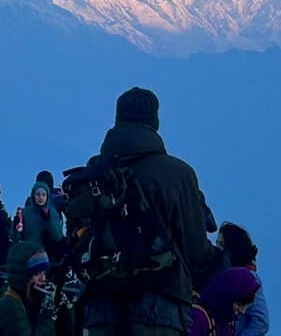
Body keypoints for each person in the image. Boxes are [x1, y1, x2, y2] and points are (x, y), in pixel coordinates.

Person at [81, 87, 214, 336]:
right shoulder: (179, 174)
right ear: (155, 121)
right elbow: (196, 253)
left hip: (101, 307)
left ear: (117, 119)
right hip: (160, 310)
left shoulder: (95, 172)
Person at [0, 241, 56, 336]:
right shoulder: (10, 304)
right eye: (36, 274)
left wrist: (66, 307)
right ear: (23, 277)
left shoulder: (30, 298)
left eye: (44, 272)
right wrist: (47, 315)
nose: (43, 278)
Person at [215, 224, 268, 336]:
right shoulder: (216, 274)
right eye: (217, 243)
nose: (217, 248)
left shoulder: (249, 278)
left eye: (222, 244)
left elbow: (261, 321)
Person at [189, 268, 261, 336]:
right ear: (227, 296)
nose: (243, 311)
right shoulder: (198, 318)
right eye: (239, 304)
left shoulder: (227, 322)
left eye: (247, 306)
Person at [20, 183, 66, 257]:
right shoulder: (25, 213)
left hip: (48, 254)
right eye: (38, 194)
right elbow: (18, 235)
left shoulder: (52, 212)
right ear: (33, 196)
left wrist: (49, 220)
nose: (40, 197)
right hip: (30, 252)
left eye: (43, 195)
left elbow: (57, 237)